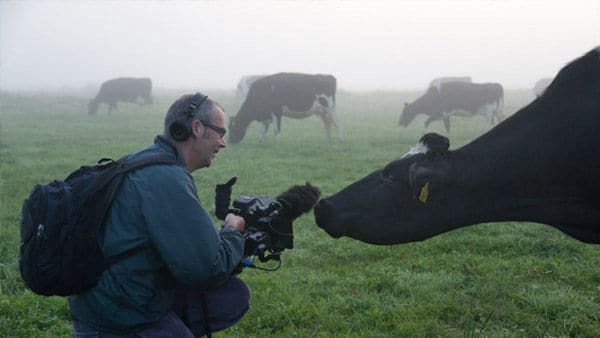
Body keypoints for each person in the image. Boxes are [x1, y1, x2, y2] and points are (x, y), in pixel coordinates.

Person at [69, 92, 250, 337]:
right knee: (225, 294)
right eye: (221, 133)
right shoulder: (167, 177)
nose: (223, 143)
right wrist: (232, 231)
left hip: (99, 300)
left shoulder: (146, 160)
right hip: (120, 314)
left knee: (233, 296)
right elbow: (207, 270)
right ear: (197, 128)